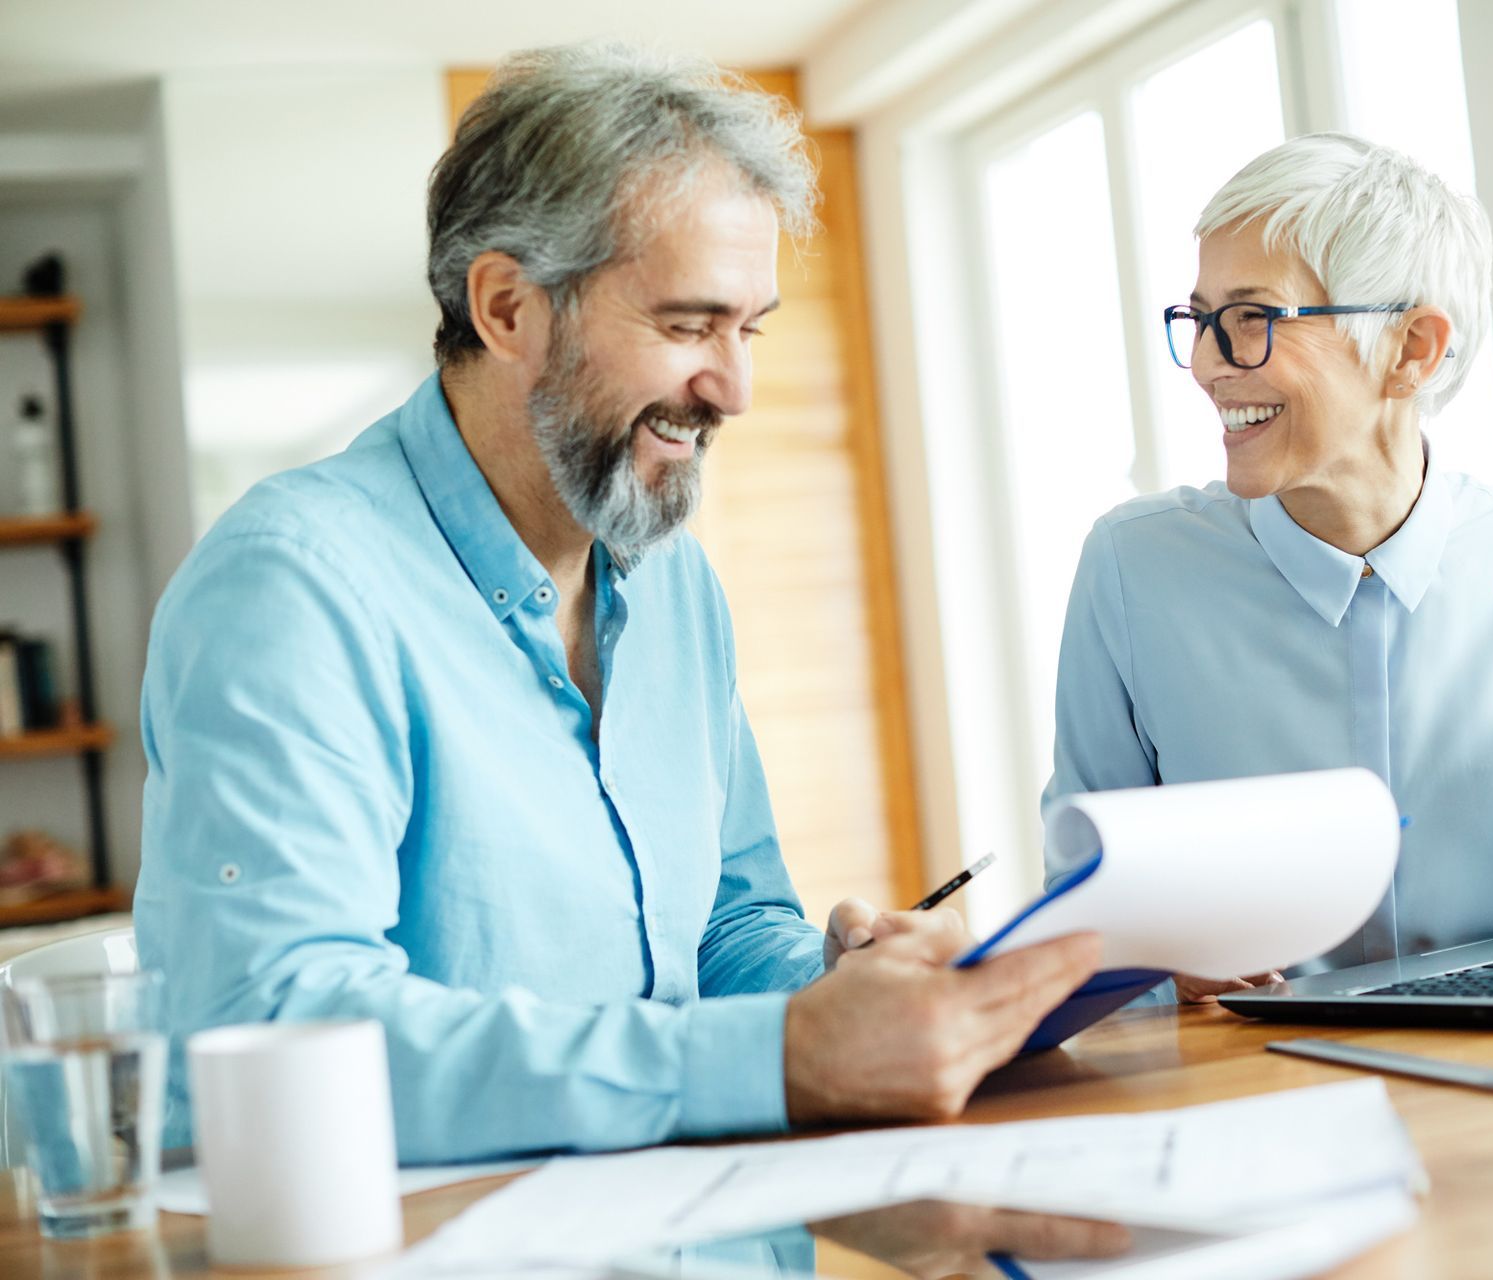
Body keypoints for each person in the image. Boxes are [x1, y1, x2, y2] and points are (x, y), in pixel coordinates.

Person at [134, 44, 1098, 1162]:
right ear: (506, 308)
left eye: (752, 329)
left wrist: (837, 989)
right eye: (690, 325)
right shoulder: (292, 586)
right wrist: (780, 1055)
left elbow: (725, 929)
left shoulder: (673, 579)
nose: (733, 388)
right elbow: (280, 1026)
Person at [1046, 133, 1493, 1002]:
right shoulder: (1134, 569)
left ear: (1414, 350)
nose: (1206, 364)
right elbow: (1080, 918)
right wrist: (1157, 966)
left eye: (1252, 319)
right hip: (1261, 1079)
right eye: (1201, 321)